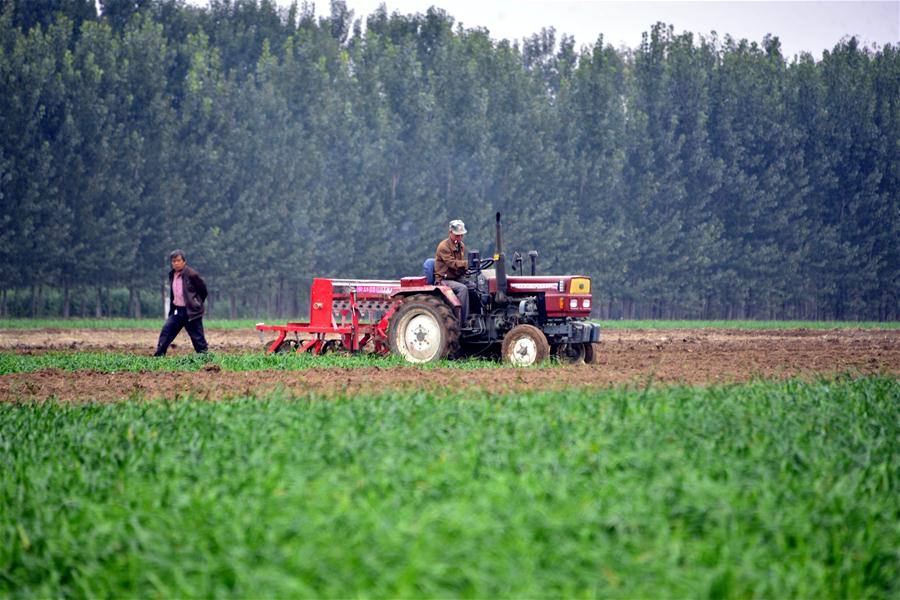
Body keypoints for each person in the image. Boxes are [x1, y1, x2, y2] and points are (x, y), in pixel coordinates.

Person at [153, 249, 209, 356]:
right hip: (177, 311)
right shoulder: (172, 275)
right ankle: (158, 357)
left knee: (198, 339)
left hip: (191, 312)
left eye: (178, 261)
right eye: (174, 261)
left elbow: (203, 290)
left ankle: (206, 360)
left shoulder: (192, 274)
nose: (176, 263)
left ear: (184, 261)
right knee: (166, 332)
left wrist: (196, 302)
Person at [434, 219, 469, 326]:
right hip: (444, 279)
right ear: (450, 233)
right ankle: (462, 322)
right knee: (463, 289)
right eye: (457, 235)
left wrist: (469, 269)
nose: (459, 238)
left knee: (475, 287)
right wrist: (468, 263)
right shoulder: (443, 247)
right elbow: (452, 263)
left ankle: (476, 316)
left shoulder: (461, 245)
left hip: (456, 277)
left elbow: (460, 265)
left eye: (461, 235)